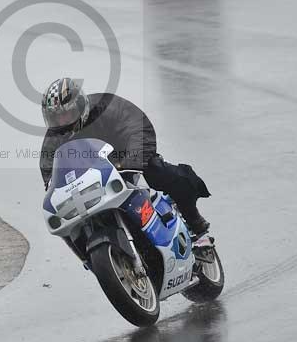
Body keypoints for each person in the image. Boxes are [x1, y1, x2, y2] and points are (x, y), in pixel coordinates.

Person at [40, 77, 211, 237]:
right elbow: (50, 173)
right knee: (72, 216)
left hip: (124, 161)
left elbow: (136, 126)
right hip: (90, 179)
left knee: (158, 171)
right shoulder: (54, 137)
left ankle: (194, 221)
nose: (62, 121)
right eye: (56, 117)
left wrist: (132, 159)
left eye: (67, 114)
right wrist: (53, 190)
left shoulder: (107, 106)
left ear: (80, 106)